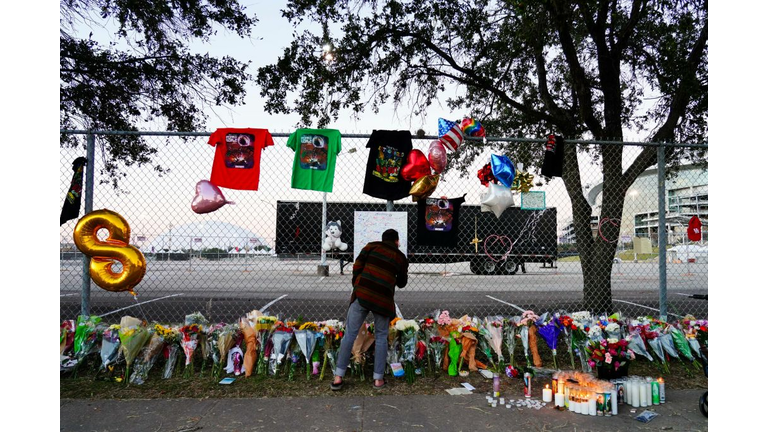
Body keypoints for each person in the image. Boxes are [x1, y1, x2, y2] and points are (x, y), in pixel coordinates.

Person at [331, 229, 409, 391]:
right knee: (381, 337)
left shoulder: (371, 247)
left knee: (350, 335)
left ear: (382, 239)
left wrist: (358, 284)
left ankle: (338, 377)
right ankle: (378, 380)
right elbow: (402, 283)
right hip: (383, 300)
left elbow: (357, 266)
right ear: (396, 241)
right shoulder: (400, 257)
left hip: (362, 294)